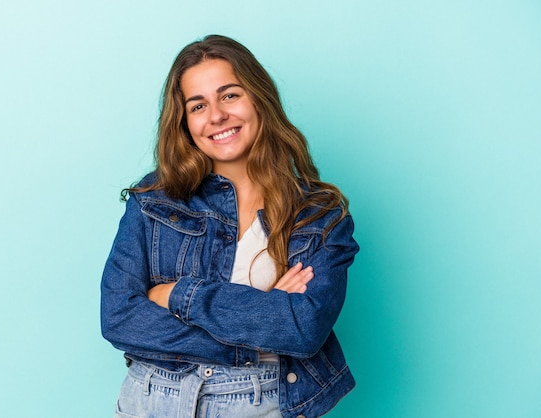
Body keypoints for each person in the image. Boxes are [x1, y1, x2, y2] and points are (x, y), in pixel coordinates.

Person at [101, 34, 359, 418]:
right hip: (152, 400)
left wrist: (177, 296)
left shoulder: (318, 215)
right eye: (198, 105)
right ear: (186, 123)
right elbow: (118, 317)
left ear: (258, 98)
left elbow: (303, 330)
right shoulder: (154, 200)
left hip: (257, 404)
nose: (216, 116)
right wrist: (261, 322)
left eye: (230, 95)